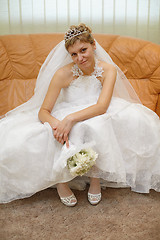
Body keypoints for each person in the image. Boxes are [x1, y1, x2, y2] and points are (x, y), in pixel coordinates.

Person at [0, 24, 160, 207]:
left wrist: (70, 119)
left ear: (94, 46)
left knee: (98, 123)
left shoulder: (108, 70)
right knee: (67, 130)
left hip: (98, 110)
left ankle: (95, 179)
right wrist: (58, 123)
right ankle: (61, 181)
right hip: (66, 109)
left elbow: (102, 106)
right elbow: (43, 111)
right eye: (74, 54)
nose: (80, 58)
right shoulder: (62, 74)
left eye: (83, 50)